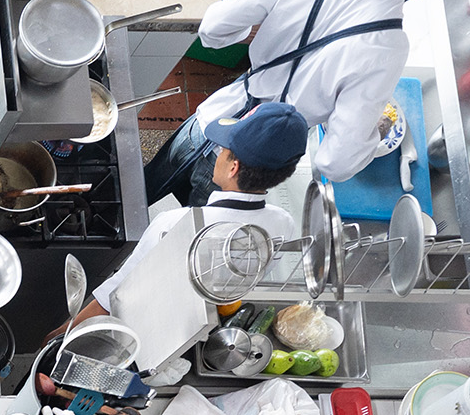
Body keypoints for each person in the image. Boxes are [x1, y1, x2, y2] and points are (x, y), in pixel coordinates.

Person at [143, 0, 470, 204]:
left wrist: (257, 35)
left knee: (135, 199)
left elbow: (213, 27)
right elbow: (335, 162)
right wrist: (376, 131)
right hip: (247, 169)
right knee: (175, 244)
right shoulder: (389, 48)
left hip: (212, 120)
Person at [68, 103, 305, 329]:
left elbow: (116, 295)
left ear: (233, 168)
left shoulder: (172, 224)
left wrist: (61, 333)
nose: (220, 153)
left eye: (223, 149)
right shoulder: (283, 223)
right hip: (197, 316)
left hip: (146, 318)